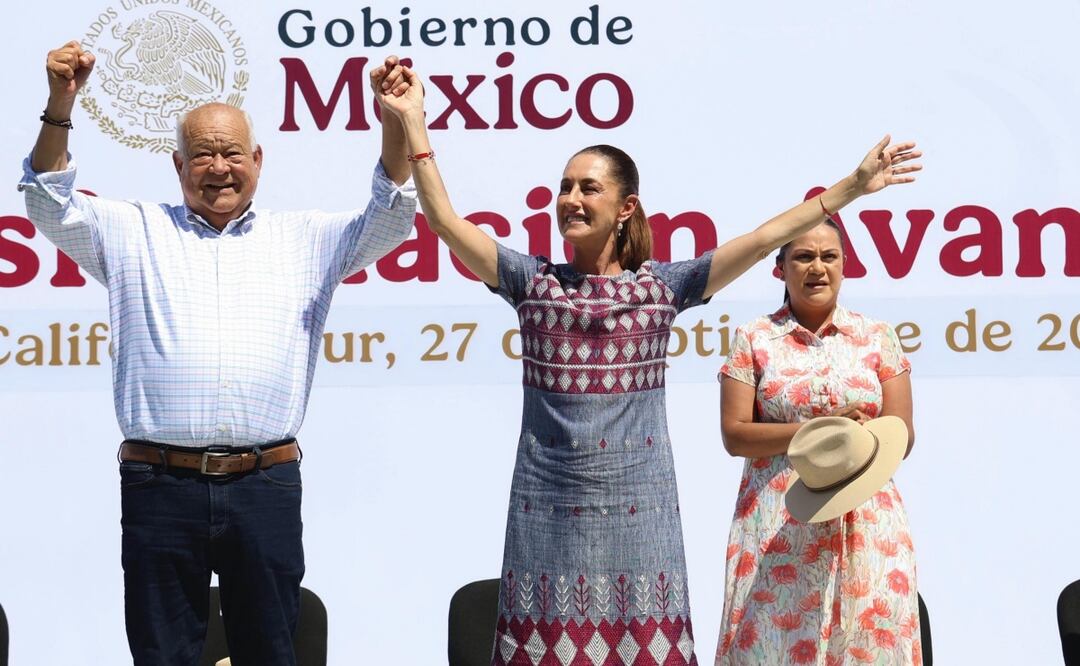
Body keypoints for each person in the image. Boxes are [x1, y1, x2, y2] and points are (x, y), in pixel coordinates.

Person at [373, 63, 920, 664]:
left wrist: (851, 188)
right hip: (546, 515)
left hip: (642, 521)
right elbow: (445, 222)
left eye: (588, 188)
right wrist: (414, 120)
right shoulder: (532, 284)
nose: (570, 199)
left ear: (626, 206)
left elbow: (765, 239)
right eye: (565, 187)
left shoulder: (660, 290)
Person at [18, 41, 417, 665]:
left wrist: (395, 119)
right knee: (162, 655)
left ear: (258, 160)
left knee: (271, 653)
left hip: (265, 483)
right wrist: (60, 102)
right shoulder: (133, 231)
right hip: (160, 485)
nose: (219, 167)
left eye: (232, 152)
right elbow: (47, 198)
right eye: (203, 154)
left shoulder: (304, 238)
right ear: (179, 165)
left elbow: (388, 217)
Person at [714, 219, 922, 665]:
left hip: (867, 522)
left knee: (868, 647)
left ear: (845, 265)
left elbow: (902, 432)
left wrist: (855, 436)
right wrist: (821, 432)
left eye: (829, 257)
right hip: (777, 522)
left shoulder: (877, 336)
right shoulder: (754, 337)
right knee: (773, 648)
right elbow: (735, 434)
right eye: (803, 257)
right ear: (780, 267)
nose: (817, 268)